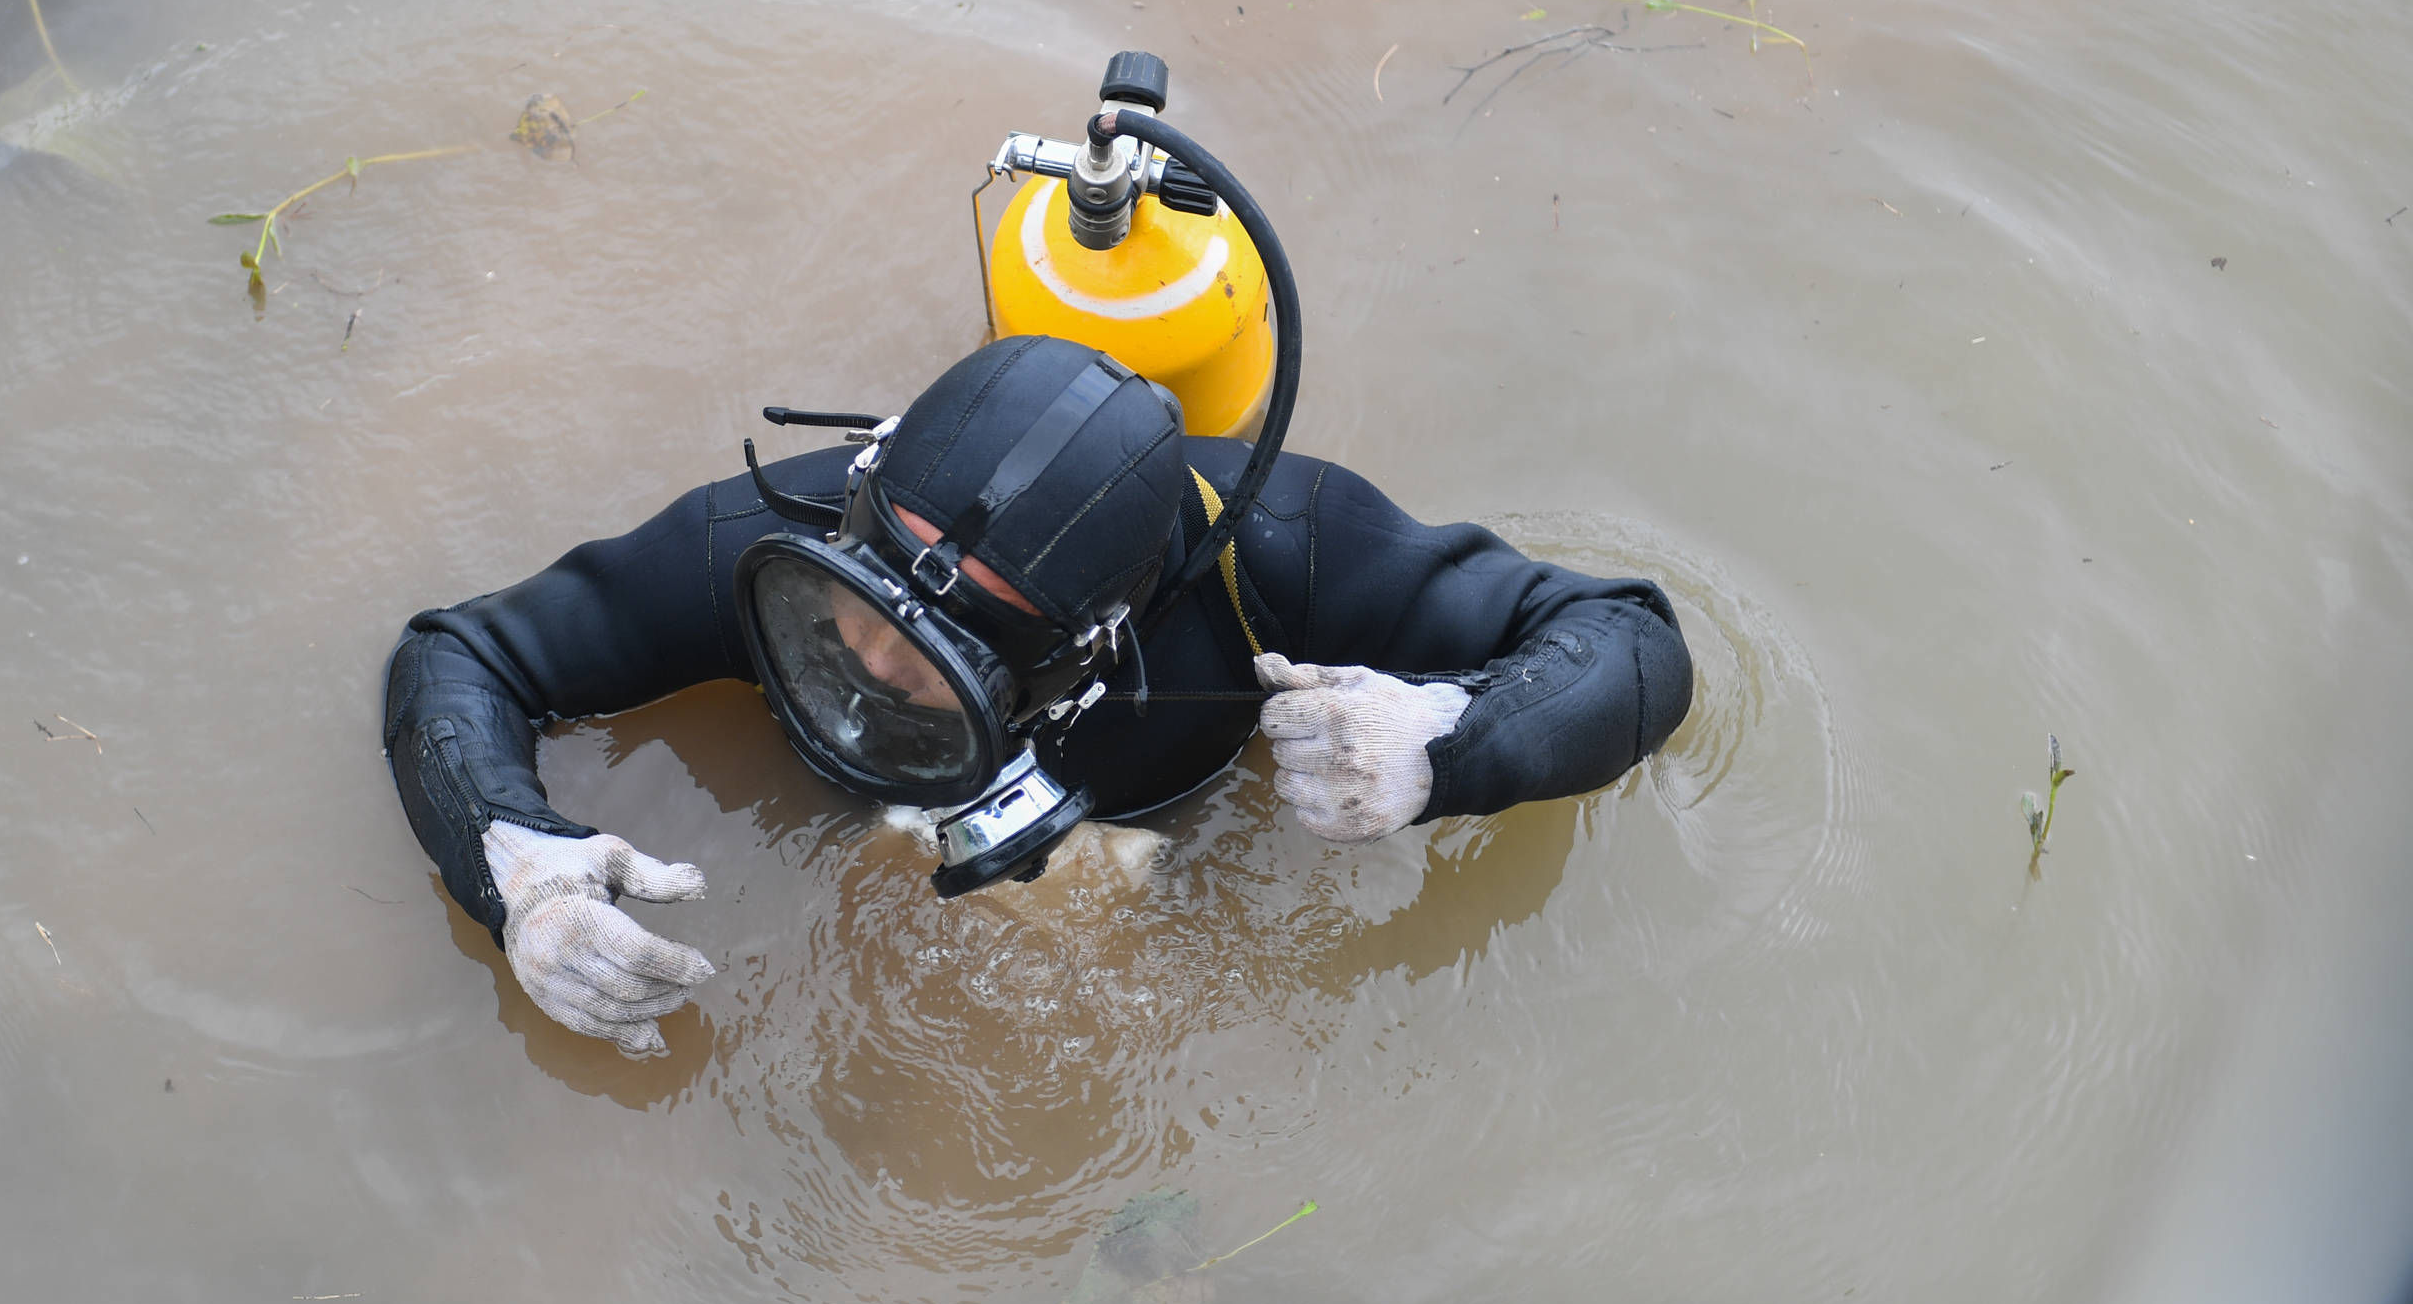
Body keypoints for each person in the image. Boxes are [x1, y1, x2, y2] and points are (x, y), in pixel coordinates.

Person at [384, 335, 1693, 1055]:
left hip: (1165, 881)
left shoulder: (1277, 546)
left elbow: (1630, 641)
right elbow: (457, 656)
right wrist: (518, 865)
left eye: (945, 669)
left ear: (1100, 639)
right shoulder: (776, 539)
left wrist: (1445, 745)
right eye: (844, 627)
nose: (871, 683)